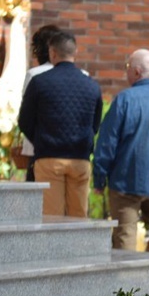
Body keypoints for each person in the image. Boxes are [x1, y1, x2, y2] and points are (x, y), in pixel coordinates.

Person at [93, 48, 149, 250]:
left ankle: (126, 281)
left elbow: (107, 142)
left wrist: (99, 178)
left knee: (125, 237)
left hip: (126, 182)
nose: (126, 72)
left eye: (128, 67)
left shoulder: (124, 100)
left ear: (137, 72)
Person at [18, 30, 103, 218]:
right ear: (75, 52)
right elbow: (95, 123)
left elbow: (24, 120)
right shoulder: (91, 85)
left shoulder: (39, 82)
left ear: (52, 53)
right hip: (80, 157)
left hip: (49, 156)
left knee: (51, 216)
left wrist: (40, 139)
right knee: (78, 215)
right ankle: (78, 248)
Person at [20, 24, 60, 182]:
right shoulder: (80, 75)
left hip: (39, 148)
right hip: (68, 152)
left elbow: (26, 114)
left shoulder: (34, 75)